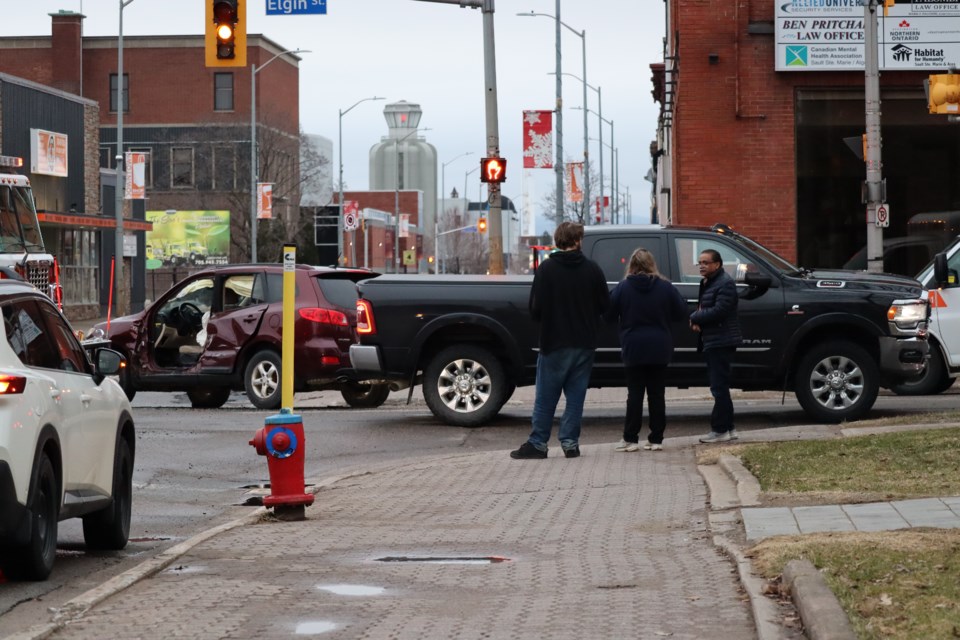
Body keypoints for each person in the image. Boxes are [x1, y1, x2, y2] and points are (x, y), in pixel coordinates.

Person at [511, 221, 610, 460]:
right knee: (575, 397)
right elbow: (605, 306)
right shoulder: (593, 269)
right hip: (584, 342)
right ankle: (570, 443)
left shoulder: (546, 270)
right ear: (577, 241)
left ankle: (538, 443)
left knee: (546, 396)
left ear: (558, 240)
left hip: (554, 340)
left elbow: (535, 309)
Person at [606, 248, 687, 452]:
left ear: (632, 266)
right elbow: (680, 312)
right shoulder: (665, 287)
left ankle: (630, 438)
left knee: (635, 393)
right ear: (652, 264)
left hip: (633, 345)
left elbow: (608, 315)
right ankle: (656, 438)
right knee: (657, 394)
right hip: (660, 345)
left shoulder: (623, 287)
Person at [689, 249, 742, 443]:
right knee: (720, 387)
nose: (702, 266)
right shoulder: (708, 282)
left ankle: (719, 430)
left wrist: (695, 317)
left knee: (718, 387)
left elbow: (719, 310)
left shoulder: (725, 283)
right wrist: (699, 319)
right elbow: (705, 307)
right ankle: (729, 427)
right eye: (699, 262)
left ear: (717, 264)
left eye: (706, 262)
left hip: (722, 340)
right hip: (713, 339)